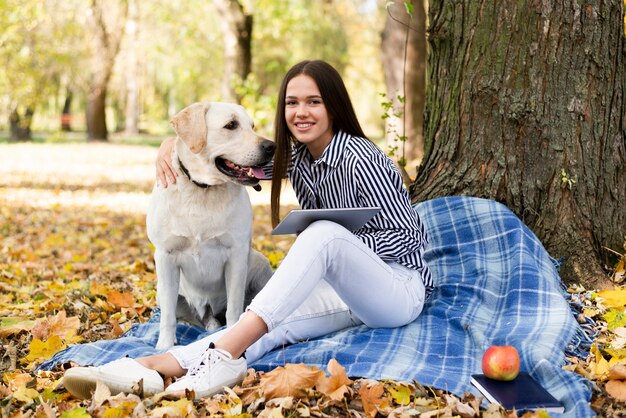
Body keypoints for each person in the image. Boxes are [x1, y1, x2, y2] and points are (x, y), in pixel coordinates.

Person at [62, 59, 433, 400]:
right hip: (346, 293)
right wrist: (171, 145)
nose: (300, 112)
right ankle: (154, 369)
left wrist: (334, 249)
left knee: (323, 233)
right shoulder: (300, 158)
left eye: (313, 102)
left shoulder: (361, 158)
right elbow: (220, 160)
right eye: (292, 103)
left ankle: (213, 358)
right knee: (269, 321)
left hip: (398, 290)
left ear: (334, 106)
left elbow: (408, 238)